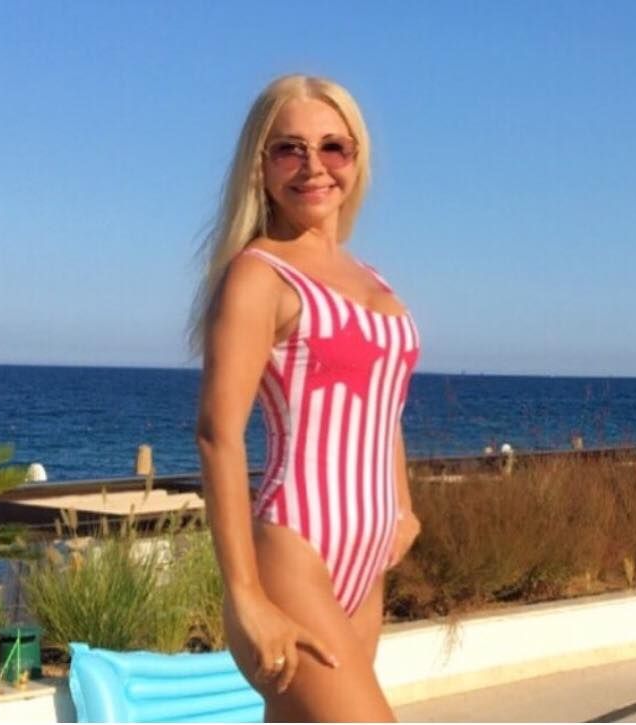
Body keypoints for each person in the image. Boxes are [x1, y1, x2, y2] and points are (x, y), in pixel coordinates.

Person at [190, 73, 422, 722]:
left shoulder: (371, 277)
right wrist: (245, 596)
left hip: (367, 559)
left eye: (332, 147)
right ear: (260, 165)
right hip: (295, 550)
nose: (313, 166)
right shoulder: (259, 275)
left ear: (356, 159)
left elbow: (383, 400)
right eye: (289, 149)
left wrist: (403, 504)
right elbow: (217, 434)